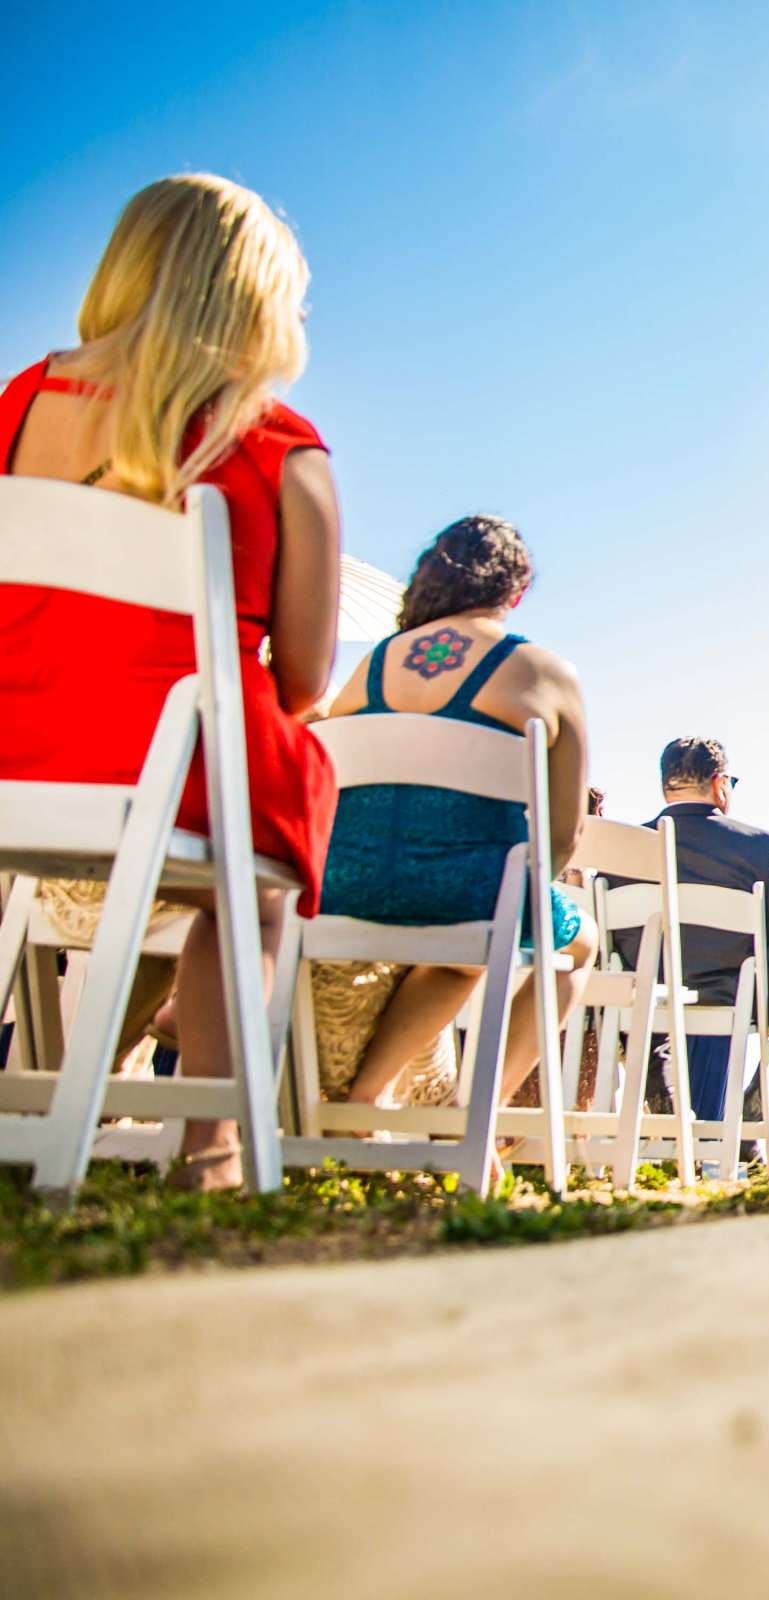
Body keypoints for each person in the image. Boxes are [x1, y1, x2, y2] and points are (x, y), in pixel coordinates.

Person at [0, 174, 340, 1190]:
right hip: (176, 760)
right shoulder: (281, 446)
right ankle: (213, 1149)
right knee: (255, 878)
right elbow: (308, 678)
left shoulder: (17, 405)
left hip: (15, 742)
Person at [315, 515, 595, 1125]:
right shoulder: (544, 672)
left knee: (457, 948)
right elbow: (563, 834)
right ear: (515, 592)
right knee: (579, 948)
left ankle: (367, 1101)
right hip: (471, 894)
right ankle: (472, 1118)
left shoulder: (370, 667)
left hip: (346, 886)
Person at [630, 738, 769, 1131]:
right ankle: (746, 1126)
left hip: (645, 996)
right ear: (720, 784)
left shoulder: (625, 845)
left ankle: (668, 1117)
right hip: (733, 994)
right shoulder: (759, 847)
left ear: (664, 786)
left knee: (648, 1015)